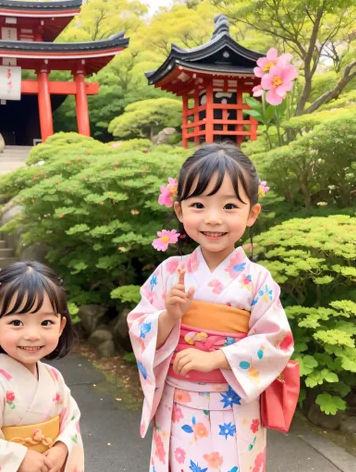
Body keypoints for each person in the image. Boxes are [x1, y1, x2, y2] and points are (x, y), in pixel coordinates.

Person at [128, 142, 295, 472]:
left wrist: (217, 358)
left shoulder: (257, 280)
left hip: (234, 405)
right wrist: (167, 317)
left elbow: (276, 342)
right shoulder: (168, 273)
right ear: (180, 211)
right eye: (199, 205)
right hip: (177, 402)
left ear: (251, 214)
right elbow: (139, 325)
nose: (213, 218)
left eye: (230, 205)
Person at [0, 261, 84, 472]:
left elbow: (71, 419)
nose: (33, 335)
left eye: (46, 322)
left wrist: (63, 447)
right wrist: (19, 458)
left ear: (61, 326)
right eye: (17, 322)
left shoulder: (54, 377)